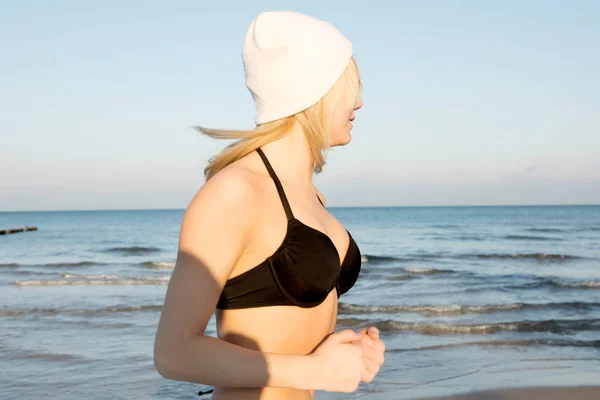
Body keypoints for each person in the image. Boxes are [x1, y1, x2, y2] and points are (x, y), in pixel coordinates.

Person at [153, 10, 385, 399]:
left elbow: (291, 334)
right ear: (313, 90)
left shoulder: (313, 197)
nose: (360, 102)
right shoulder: (234, 193)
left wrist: (349, 356)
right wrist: (315, 369)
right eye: (350, 86)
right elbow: (173, 352)